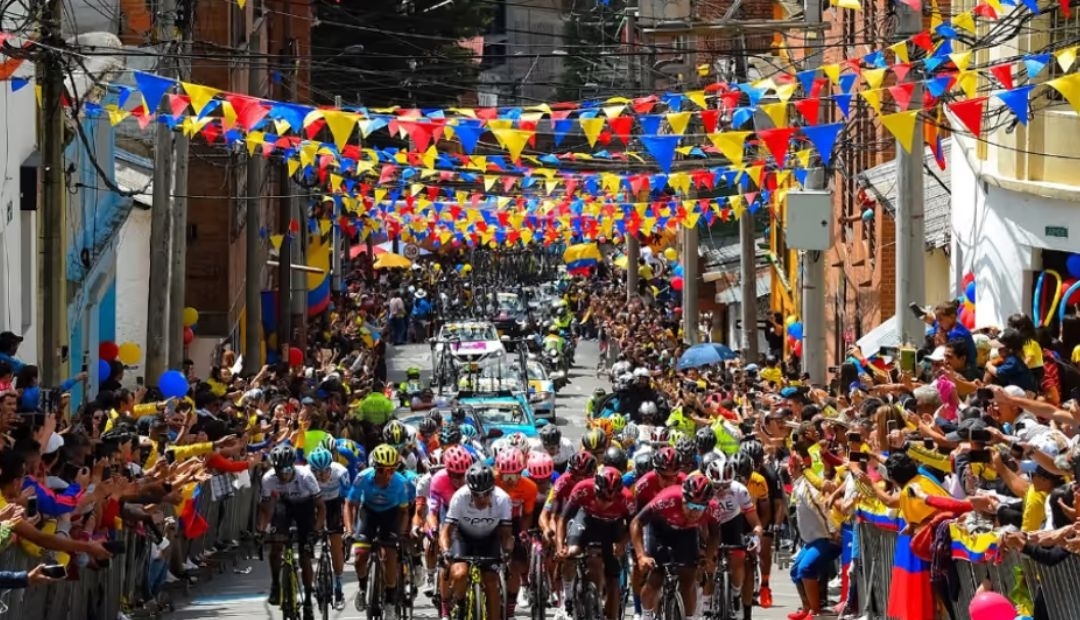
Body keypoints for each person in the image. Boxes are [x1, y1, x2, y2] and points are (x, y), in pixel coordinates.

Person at [632, 473, 720, 620]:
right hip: (659, 531)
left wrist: (709, 558)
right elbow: (636, 522)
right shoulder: (667, 499)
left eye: (699, 507)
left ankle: (690, 617)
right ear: (683, 498)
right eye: (690, 505)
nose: (694, 511)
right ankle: (646, 615)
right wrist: (641, 556)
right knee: (656, 577)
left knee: (688, 579)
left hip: (686, 533)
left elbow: (715, 535)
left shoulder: (713, 509)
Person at [258, 444, 327, 620]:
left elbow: (321, 507)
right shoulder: (268, 479)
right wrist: (261, 531)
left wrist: (316, 531)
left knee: (305, 555)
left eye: (287, 469)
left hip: (305, 507)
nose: (283, 473)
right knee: (275, 546)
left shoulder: (306, 476)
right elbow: (266, 509)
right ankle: (275, 583)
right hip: (284, 505)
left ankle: (308, 602)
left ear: (293, 465)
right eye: (279, 469)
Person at [555, 466, 632, 620]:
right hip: (587, 519)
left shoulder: (627, 498)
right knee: (572, 552)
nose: (605, 504)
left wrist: (623, 543)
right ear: (595, 489)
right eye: (602, 498)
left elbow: (633, 525)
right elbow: (563, 519)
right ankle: (568, 597)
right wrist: (560, 547)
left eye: (611, 500)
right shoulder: (582, 489)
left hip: (612, 526)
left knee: (613, 578)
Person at [440, 463, 513, 620]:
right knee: (459, 574)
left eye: (486, 494)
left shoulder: (503, 499)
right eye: (476, 494)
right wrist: (446, 551)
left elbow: (506, 534)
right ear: (469, 491)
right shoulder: (459, 497)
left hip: (489, 539)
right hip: (463, 537)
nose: (481, 499)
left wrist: (507, 553)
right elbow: (446, 531)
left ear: (492, 489)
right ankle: (460, 604)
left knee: (492, 581)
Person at [345, 444, 412, 616]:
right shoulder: (362, 478)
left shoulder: (400, 483)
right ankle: (362, 587)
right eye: (383, 470)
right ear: (375, 468)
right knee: (360, 555)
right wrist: (349, 529)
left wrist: (401, 534)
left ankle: (390, 598)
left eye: (392, 470)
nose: (387, 475)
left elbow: (404, 512)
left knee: (390, 554)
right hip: (369, 513)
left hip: (391, 515)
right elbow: (349, 504)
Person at [307, 447, 352, 608]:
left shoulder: (340, 472)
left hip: (334, 504)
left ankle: (338, 586)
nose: (321, 476)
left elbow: (348, 501)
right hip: (314, 504)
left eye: (325, 471)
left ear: (330, 467)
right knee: (307, 539)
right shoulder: (306, 475)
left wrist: (348, 529)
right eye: (316, 472)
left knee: (336, 544)